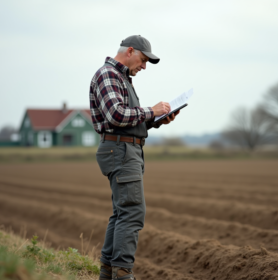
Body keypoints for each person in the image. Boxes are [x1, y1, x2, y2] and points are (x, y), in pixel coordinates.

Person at [89, 35, 179, 280]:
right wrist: (151, 110)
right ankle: (122, 274)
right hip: (120, 151)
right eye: (143, 59)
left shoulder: (121, 78)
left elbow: (127, 123)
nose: (144, 66)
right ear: (130, 51)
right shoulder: (108, 74)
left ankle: (108, 273)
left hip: (124, 149)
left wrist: (155, 120)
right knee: (132, 212)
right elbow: (116, 116)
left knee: (121, 213)